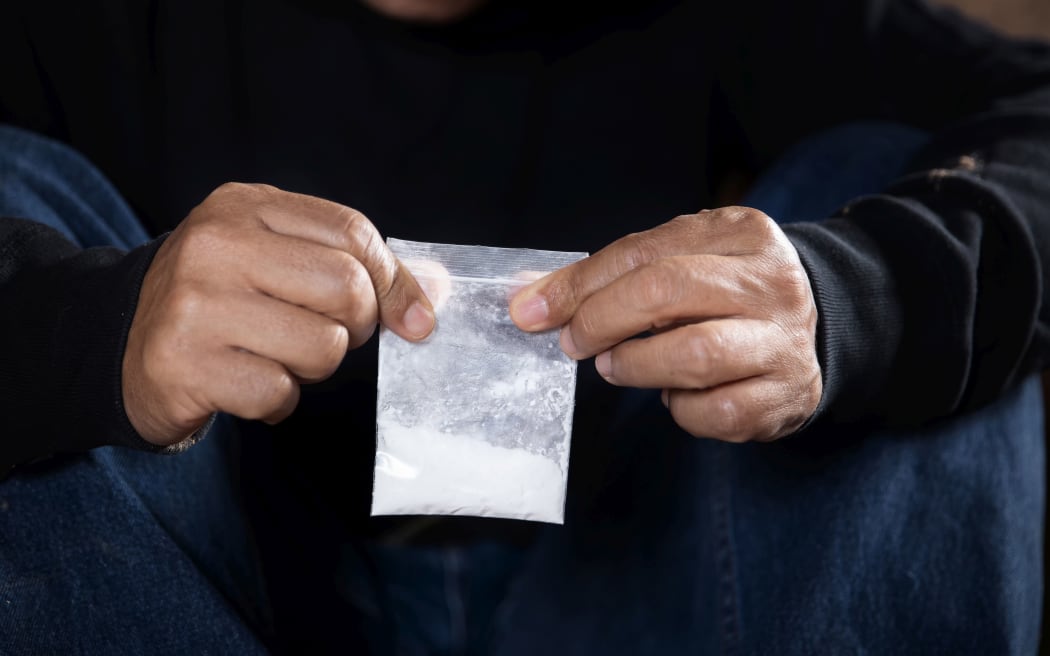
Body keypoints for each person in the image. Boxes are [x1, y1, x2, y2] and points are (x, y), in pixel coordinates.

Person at [0, 0, 1048, 653]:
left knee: (904, 185)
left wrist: (859, 294)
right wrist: (90, 333)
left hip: (638, 580)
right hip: (227, 584)